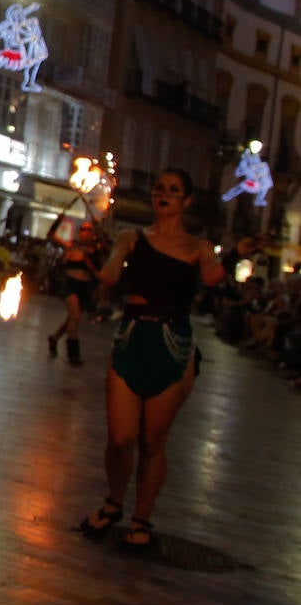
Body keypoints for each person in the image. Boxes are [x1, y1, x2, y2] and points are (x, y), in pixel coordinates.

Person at [77, 169, 256, 551]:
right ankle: (113, 502)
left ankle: (141, 517)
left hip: (172, 343)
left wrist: (238, 251)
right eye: (160, 188)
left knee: (153, 440)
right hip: (132, 338)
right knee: (121, 437)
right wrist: (92, 257)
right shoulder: (130, 238)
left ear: (186, 201)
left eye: (173, 190)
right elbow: (110, 276)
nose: (163, 194)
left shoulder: (199, 247)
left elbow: (211, 279)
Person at [48, 221, 106, 366]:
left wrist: (99, 232)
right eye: (83, 229)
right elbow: (50, 236)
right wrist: (58, 220)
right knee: (75, 316)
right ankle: (73, 354)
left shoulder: (94, 250)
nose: (85, 232)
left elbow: (108, 249)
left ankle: (54, 338)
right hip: (69, 285)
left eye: (89, 230)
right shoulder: (70, 247)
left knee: (71, 320)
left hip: (85, 287)